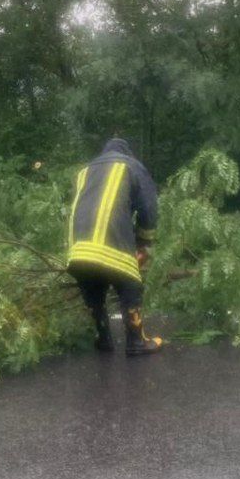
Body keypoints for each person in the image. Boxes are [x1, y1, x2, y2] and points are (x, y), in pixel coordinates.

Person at [67, 138, 163, 356]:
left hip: (78, 248)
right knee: (129, 284)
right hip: (111, 241)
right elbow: (148, 208)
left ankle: (103, 339)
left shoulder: (84, 171)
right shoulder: (131, 165)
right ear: (127, 152)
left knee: (93, 289)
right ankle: (136, 342)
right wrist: (144, 244)